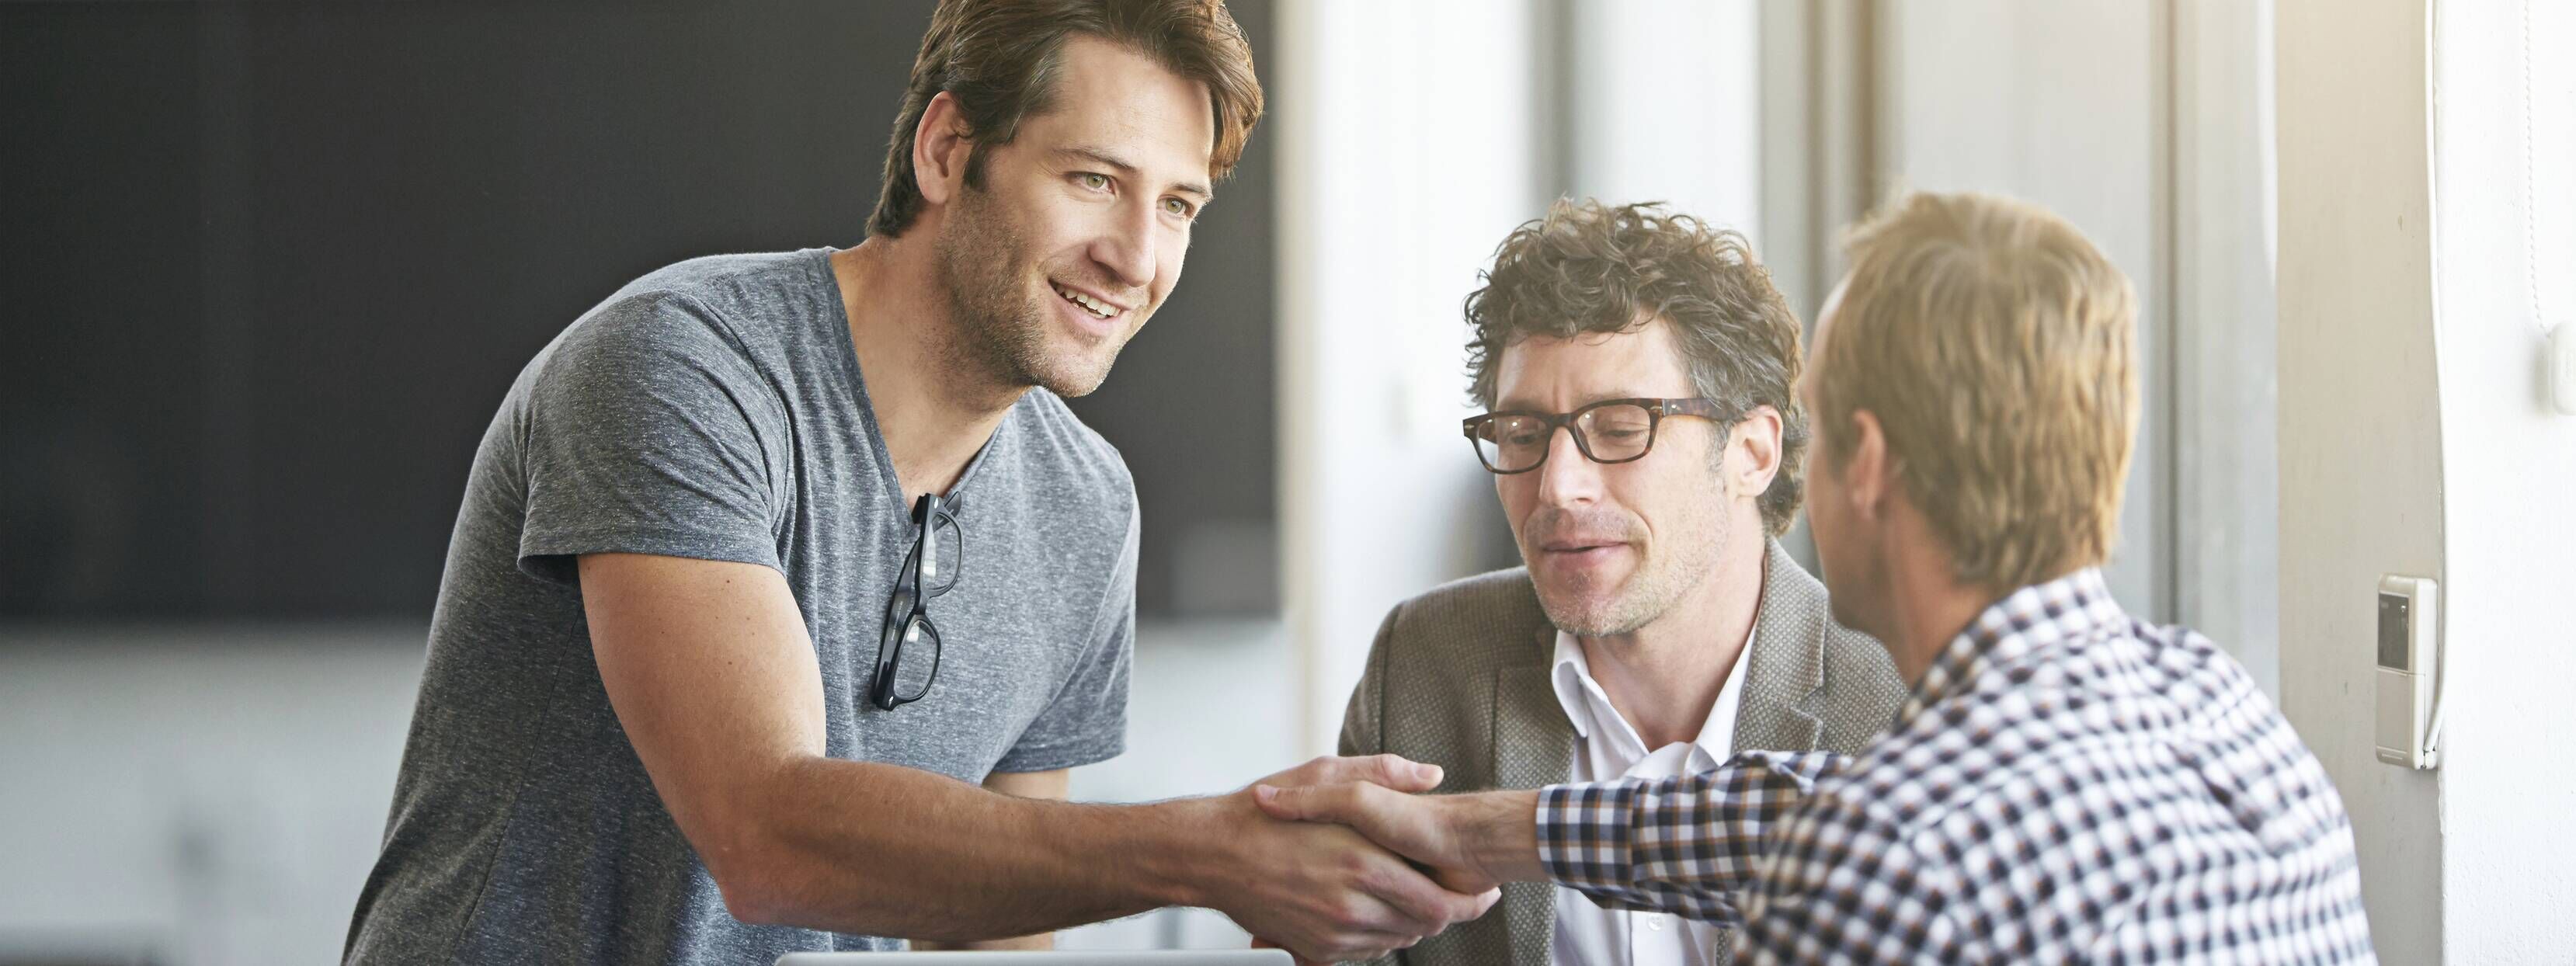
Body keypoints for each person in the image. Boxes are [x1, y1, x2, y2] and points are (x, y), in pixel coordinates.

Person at [342, 2, 1492, 963]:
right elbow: (767, 834)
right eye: (1093, 179)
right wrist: (1211, 853)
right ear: (948, 150)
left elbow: (998, 924)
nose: (1138, 257)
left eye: (1178, 205)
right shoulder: (680, 366)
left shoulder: (1086, 509)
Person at [1261, 192, 2375, 964]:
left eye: (1822, 432)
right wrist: (1484, 832)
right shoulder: (2222, 710)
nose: (1558, 484)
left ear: (1862, 462)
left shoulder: (1885, 860)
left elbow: (1861, 835)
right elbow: (1799, 813)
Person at [1334, 200, 1904, 966]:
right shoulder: (1425, 664)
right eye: (1522, 433)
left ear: (1751, 452)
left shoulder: (1902, 696)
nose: (1557, 486)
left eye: (1619, 426)